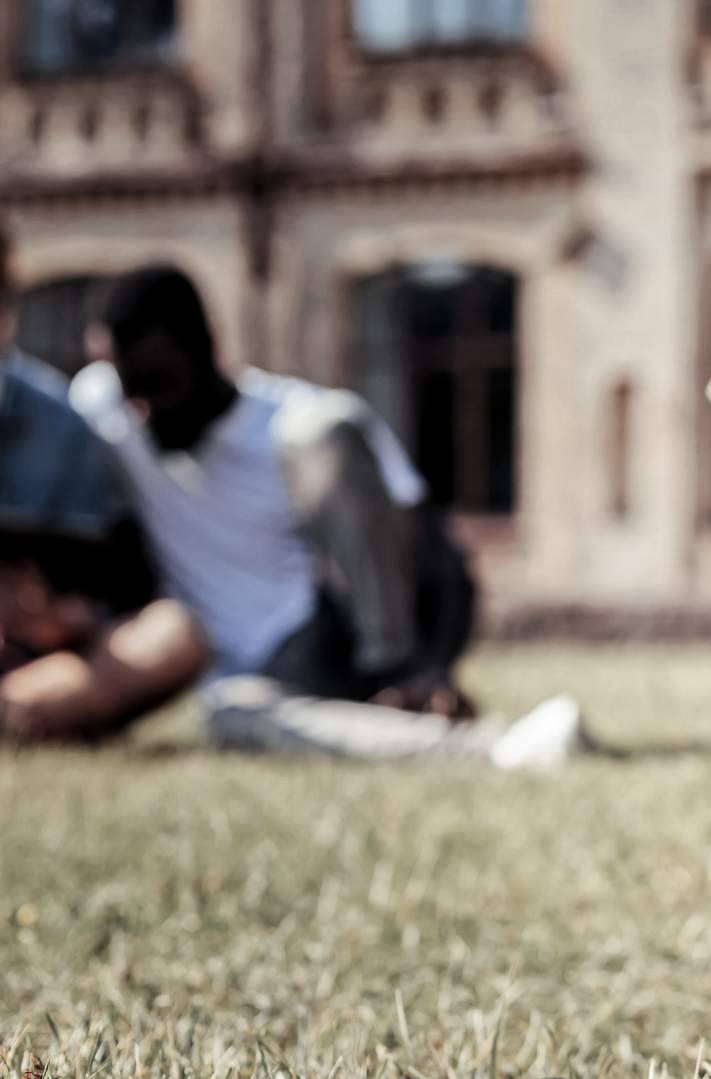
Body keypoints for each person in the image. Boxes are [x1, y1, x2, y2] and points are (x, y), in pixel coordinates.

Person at [69, 266, 587, 767]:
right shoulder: (105, 408)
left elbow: (443, 558)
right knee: (233, 714)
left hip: (333, 634)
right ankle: (494, 751)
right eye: (127, 388)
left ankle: (400, 679)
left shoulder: (291, 418)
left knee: (325, 433)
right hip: (253, 681)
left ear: (208, 348)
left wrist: (432, 667)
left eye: (158, 385)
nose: (142, 411)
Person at [0, 232, 208, 742]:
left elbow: (107, 595)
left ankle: (28, 712)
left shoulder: (65, 427)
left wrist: (65, 617)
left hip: (36, 661)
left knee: (174, 633)